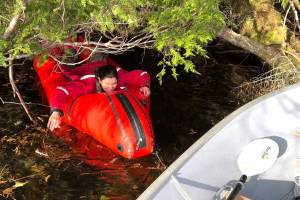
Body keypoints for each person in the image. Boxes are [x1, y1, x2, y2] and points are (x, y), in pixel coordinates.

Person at [47, 65, 151, 131]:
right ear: (100, 81)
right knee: (67, 64)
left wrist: (145, 85)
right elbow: (61, 90)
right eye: (107, 84)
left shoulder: (120, 77)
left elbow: (142, 74)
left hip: (102, 65)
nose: (110, 87)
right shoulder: (88, 83)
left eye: (114, 84)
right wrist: (56, 111)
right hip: (84, 69)